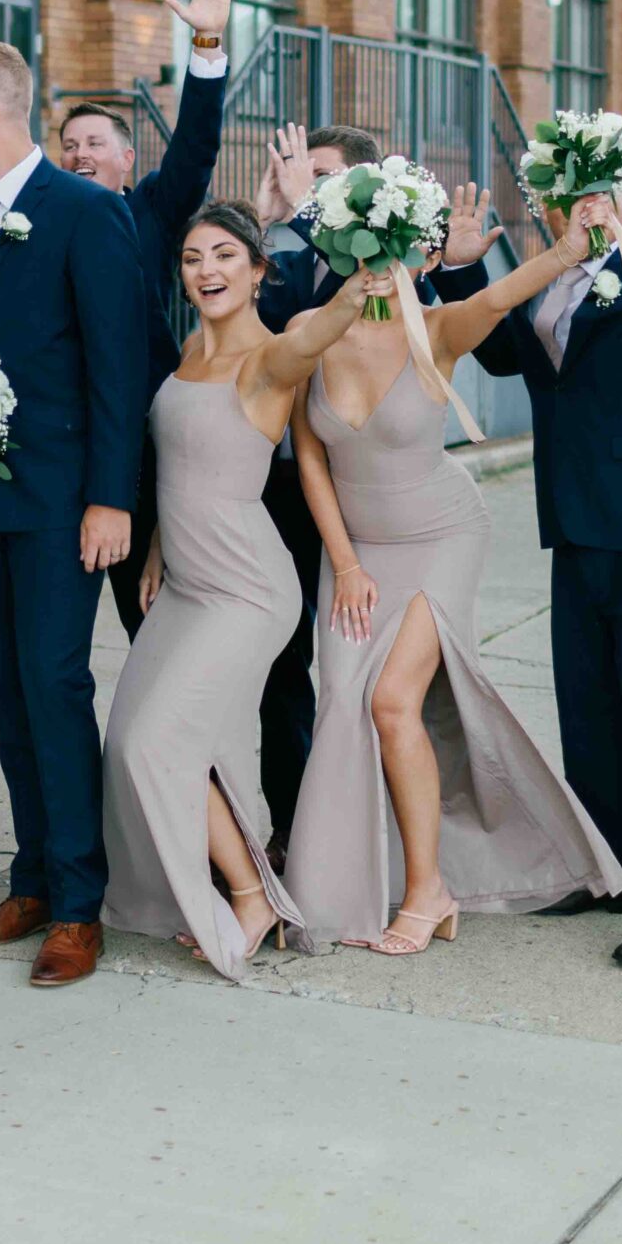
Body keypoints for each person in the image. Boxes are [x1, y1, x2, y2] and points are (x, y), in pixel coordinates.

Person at [284, 194, 622, 954]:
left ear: (422, 256)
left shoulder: (437, 330)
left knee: (390, 701)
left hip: (441, 533)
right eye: (366, 251)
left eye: (398, 250)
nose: (382, 267)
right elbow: (308, 455)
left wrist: (570, 247)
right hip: (357, 554)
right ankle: (349, 881)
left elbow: (504, 293)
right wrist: (342, 562)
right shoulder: (311, 334)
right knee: (344, 702)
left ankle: (425, 889)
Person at [101, 204, 377, 981]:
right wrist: (156, 545)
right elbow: (183, 457)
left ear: (260, 271)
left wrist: (359, 284)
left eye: (225, 255)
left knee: (162, 743)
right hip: (184, 578)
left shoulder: (269, 358)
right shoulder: (190, 345)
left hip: (247, 588)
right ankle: (204, 878)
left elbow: (312, 333)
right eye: (191, 258)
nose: (205, 270)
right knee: (128, 741)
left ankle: (253, 896)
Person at [0, 37, 146, 990]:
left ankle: (77, 906)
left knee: (56, 689)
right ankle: (30, 876)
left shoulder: (85, 211)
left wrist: (112, 497)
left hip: (62, 503)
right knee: (7, 694)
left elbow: (119, 364)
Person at [471, 177, 622, 968]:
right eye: (564, 198)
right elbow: (498, 356)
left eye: (597, 194)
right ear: (544, 210)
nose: (581, 210)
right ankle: (609, 875)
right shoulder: (542, 288)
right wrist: (466, 267)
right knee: (590, 709)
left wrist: (621, 246)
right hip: (573, 524)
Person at [250, 122, 492, 861]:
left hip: (409, 523)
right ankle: (312, 840)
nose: (307, 184)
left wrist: (454, 266)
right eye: (303, 176)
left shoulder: (409, 276)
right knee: (301, 685)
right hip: (305, 512)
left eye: (321, 176)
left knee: (396, 700)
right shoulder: (300, 265)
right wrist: (277, 224)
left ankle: (422, 849)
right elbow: (264, 328)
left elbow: (501, 344)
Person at [53, 0, 234, 640]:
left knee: (154, 623)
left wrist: (206, 46)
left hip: (144, 447)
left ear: (126, 159)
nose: (78, 154)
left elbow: (193, 147)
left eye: (94, 143)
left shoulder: (152, 211)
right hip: (62, 449)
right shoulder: (40, 222)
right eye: (67, 145)